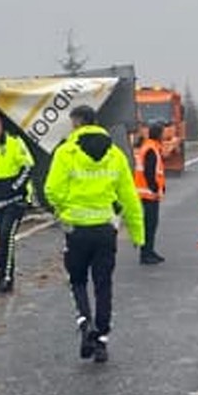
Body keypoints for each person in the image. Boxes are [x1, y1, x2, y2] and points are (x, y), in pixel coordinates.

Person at [44, 105, 145, 363]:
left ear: (77, 123)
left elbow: (52, 190)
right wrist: (138, 233)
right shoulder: (115, 154)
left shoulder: (66, 151)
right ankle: (101, 340)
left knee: (77, 281)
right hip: (105, 230)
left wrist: (64, 210)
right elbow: (129, 196)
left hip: (76, 230)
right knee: (103, 285)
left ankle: (84, 323)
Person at [0, 112, 35, 293]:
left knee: (7, 237)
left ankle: (6, 278)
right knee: (0, 240)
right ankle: (2, 276)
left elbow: (28, 167)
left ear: (0, 126)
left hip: (15, 200)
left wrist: (16, 188)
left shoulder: (14, 142)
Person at [134, 123, 167, 265]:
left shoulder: (150, 147)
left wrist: (161, 187)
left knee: (150, 224)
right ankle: (146, 254)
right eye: (163, 133)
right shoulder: (151, 149)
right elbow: (149, 172)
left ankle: (149, 251)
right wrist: (155, 189)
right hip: (148, 194)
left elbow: (156, 172)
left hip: (147, 193)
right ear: (159, 134)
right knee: (150, 224)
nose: (164, 136)